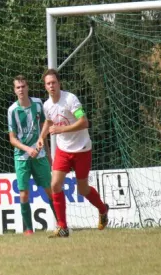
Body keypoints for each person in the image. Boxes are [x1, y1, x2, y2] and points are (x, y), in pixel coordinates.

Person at [37, 68, 109, 238]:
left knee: (82, 190)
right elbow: (48, 121)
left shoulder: (70, 99)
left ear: (59, 83)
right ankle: (62, 227)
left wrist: (62, 129)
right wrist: (41, 137)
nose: (51, 86)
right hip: (63, 150)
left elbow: (84, 122)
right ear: (45, 86)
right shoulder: (47, 105)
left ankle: (102, 209)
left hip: (82, 149)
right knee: (55, 184)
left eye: (54, 82)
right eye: (48, 83)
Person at [8, 75, 57, 235]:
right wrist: (27, 149)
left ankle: (61, 223)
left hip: (40, 154)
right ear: (15, 90)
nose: (21, 89)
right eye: (18, 87)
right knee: (23, 193)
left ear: (28, 87)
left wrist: (48, 153)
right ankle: (29, 229)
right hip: (22, 156)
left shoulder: (37, 104)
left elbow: (44, 129)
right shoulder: (12, 110)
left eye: (23, 86)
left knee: (49, 189)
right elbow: (12, 139)